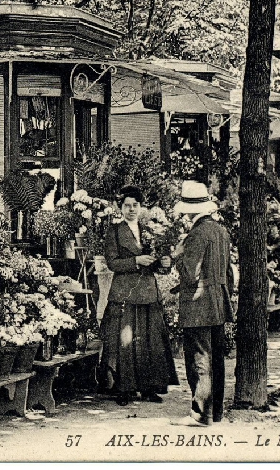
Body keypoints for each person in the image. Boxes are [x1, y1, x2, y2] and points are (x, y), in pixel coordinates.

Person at [98, 184, 179, 406]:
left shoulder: (150, 230)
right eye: (127, 206)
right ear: (119, 207)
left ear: (141, 207)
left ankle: (149, 388)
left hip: (147, 291)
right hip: (124, 291)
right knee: (125, 341)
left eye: (135, 205)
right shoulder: (114, 231)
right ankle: (123, 389)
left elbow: (159, 263)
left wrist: (164, 264)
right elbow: (113, 263)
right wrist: (135, 261)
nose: (131, 209)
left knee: (149, 341)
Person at [169, 181, 235, 427]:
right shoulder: (220, 230)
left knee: (199, 359)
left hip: (198, 303)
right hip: (218, 300)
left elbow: (190, 273)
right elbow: (229, 272)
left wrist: (178, 256)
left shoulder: (196, 234)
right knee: (216, 359)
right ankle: (216, 413)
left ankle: (200, 414)